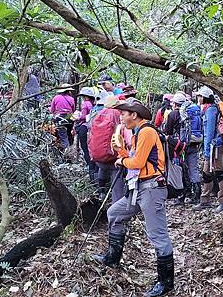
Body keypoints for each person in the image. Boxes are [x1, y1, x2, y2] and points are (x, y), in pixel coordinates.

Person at [93, 98, 174, 297]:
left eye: (124, 114)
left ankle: (166, 282)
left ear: (134, 115)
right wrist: (121, 151)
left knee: (157, 234)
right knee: (114, 213)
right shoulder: (138, 133)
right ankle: (112, 258)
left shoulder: (146, 131)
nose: (121, 117)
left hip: (152, 188)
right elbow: (135, 158)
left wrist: (122, 159)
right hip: (139, 187)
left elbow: (136, 162)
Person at [193, 86, 223, 213]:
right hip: (213, 146)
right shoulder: (209, 109)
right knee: (206, 174)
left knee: (219, 172)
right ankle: (205, 200)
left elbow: (209, 132)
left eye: (200, 96)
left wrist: (207, 151)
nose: (198, 98)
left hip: (215, 146)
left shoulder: (211, 111)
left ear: (205, 97)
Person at [163, 93, 202, 205]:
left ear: (175, 104)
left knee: (180, 169)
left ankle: (182, 195)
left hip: (178, 146)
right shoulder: (192, 112)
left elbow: (168, 132)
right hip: (193, 143)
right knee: (193, 169)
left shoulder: (173, 114)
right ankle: (196, 196)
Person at [88, 94, 126, 203]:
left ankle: (101, 192)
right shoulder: (117, 114)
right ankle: (117, 205)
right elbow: (121, 134)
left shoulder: (97, 114)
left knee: (102, 168)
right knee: (117, 178)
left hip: (98, 156)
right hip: (113, 156)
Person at [75, 87, 97, 183]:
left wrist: (77, 116)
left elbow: (83, 116)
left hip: (84, 127)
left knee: (85, 150)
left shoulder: (85, 104)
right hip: (92, 128)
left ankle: (90, 169)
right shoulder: (93, 105)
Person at [49, 83, 76, 149]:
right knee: (69, 133)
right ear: (68, 91)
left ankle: (67, 151)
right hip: (69, 117)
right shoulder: (71, 99)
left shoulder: (56, 98)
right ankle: (72, 149)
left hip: (59, 117)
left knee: (63, 135)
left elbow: (52, 110)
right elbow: (73, 110)